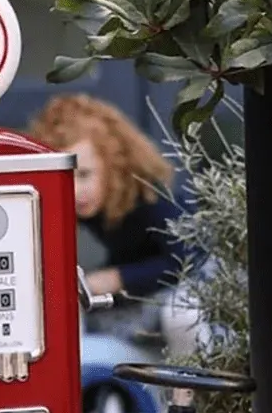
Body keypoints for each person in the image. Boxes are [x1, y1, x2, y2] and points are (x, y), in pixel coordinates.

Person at [29, 92, 207, 357]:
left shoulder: (148, 196)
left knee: (182, 313)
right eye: (64, 178)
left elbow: (189, 257)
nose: (75, 190)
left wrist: (116, 277)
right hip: (147, 293)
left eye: (85, 174)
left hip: (198, 287)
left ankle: (194, 395)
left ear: (113, 164)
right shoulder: (92, 205)